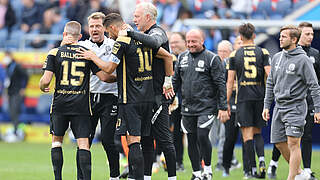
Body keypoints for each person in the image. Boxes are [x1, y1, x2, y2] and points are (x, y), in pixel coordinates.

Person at [76, 13, 174, 180]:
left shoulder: (121, 41)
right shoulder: (144, 39)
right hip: (148, 97)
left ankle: (137, 178)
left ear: (113, 28)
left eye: (108, 32)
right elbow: (168, 56)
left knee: (133, 142)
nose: (109, 36)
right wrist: (168, 80)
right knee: (147, 140)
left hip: (130, 99)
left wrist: (92, 57)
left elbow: (108, 69)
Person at [39, 21, 115, 180]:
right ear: (80, 36)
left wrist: (42, 85)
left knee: (57, 142)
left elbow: (46, 81)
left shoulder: (55, 52)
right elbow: (104, 77)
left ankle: (58, 178)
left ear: (64, 35)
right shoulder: (86, 52)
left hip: (60, 104)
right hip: (81, 105)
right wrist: (122, 79)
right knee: (83, 144)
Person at [124, 2, 177, 180]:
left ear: (148, 17)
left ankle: (172, 177)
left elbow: (158, 46)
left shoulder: (158, 32)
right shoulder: (143, 35)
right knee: (146, 139)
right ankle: (146, 177)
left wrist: (130, 32)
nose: (133, 20)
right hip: (144, 95)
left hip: (158, 95)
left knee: (164, 139)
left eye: (137, 17)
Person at [262, 24, 320, 180]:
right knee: (279, 143)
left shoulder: (303, 60)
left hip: (296, 107)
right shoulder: (276, 57)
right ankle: (300, 173)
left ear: (294, 39)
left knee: (294, 143)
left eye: (284, 37)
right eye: (280, 36)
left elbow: (314, 86)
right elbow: (270, 83)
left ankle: (291, 178)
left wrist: (318, 109)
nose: (280, 39)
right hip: (278, 107)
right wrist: (267, 105)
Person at [172, 29, 229, 180]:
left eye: (194, 41)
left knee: (202, 136)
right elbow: (175, 81)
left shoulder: (212, 59)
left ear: (202, 41)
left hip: (206, 106)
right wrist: (169, 98)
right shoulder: (182, 58)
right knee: (191, 138)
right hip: (187, 107)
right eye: (188, 42)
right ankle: (196, 173)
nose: (190, 44)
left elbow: (220, 84)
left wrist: (223, 107)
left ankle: (208, 170)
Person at [77, 12, 119, 180]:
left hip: (111, 97)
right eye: (92, 26)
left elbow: (111, 73)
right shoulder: (82, 46)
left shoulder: (114, 44)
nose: (94, 29)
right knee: (84, 141)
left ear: (105, 28)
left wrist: (118, 80)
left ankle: (114, 176)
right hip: (89, 97)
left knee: (108, 140)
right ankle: (82, 177)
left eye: (98, 26)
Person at [226, 23, 270, 179]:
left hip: (243, 98)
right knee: (258, 132)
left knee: (247, 136)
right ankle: (263, 162)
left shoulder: (234, 55)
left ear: (240, 37)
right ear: (254, 36)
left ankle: (251, 170)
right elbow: (269, 74)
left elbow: (230, 82)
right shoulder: (263, 51)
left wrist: (226, 103)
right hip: (259, 96)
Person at [168, 32, 187, 172]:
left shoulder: (190, 57)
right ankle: (177, 162)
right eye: (172, 43)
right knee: (176, 134)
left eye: (176, 42)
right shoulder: (170, 58)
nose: (173, 45)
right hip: (175, 102)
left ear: (184, 42)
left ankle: (201, 163)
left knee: (196, 133)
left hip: (192, 101)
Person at [3, 51, 29, 140]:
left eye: (6, 56)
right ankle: (15, 129)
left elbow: (25, 76)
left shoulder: (16, 66)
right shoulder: (7, 67)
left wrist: (23, 88)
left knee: (15, 111)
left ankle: (16, 131)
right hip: (10, 92)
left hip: (16, 92)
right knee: (11, 112)